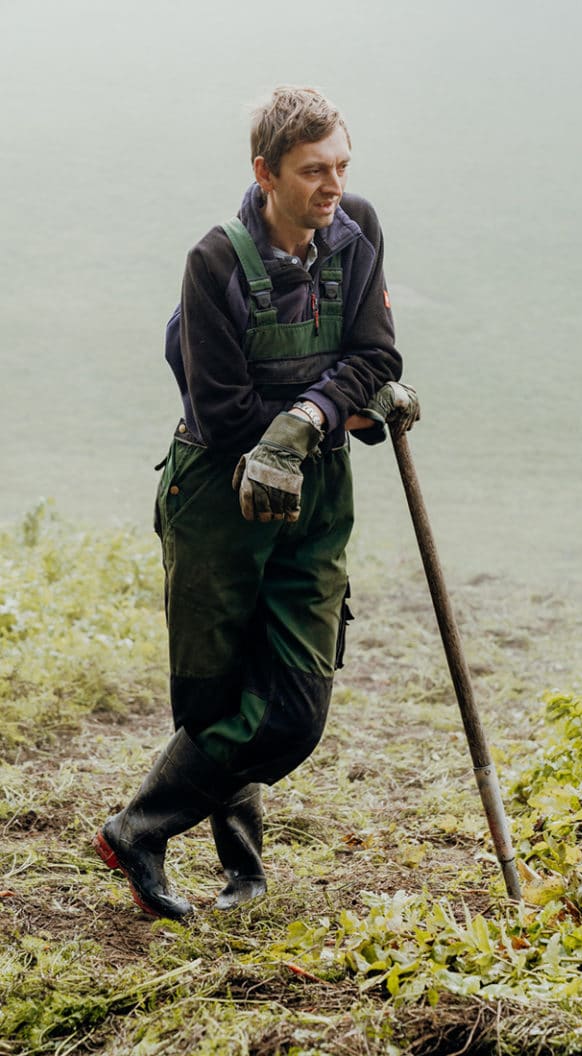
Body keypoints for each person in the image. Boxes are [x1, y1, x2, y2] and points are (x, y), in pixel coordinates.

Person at [93, 86, 419, 920]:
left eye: (343, 165)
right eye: (314, 170)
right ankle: (242, 870)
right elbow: (225, 412)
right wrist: (340, 400)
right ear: (265, 173)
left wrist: (314, 413)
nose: (334, 185)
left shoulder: (359, 233)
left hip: (318, 493)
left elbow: (378, 354)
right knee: (213, 696)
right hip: (216, 493)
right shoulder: (215, 261)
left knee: (293, 709)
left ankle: (138, 827)